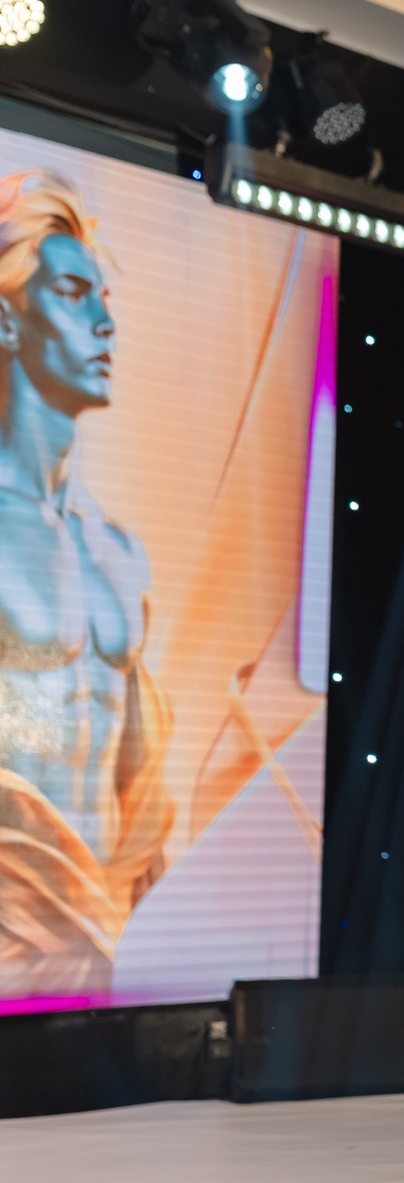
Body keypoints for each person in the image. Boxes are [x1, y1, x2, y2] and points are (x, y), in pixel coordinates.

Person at [0, 170, 171, 996]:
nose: (106, 322)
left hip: (110, 954)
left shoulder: (118, 551)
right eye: (73, 294)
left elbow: (140, 784)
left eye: (104, 297)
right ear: (8, 318)